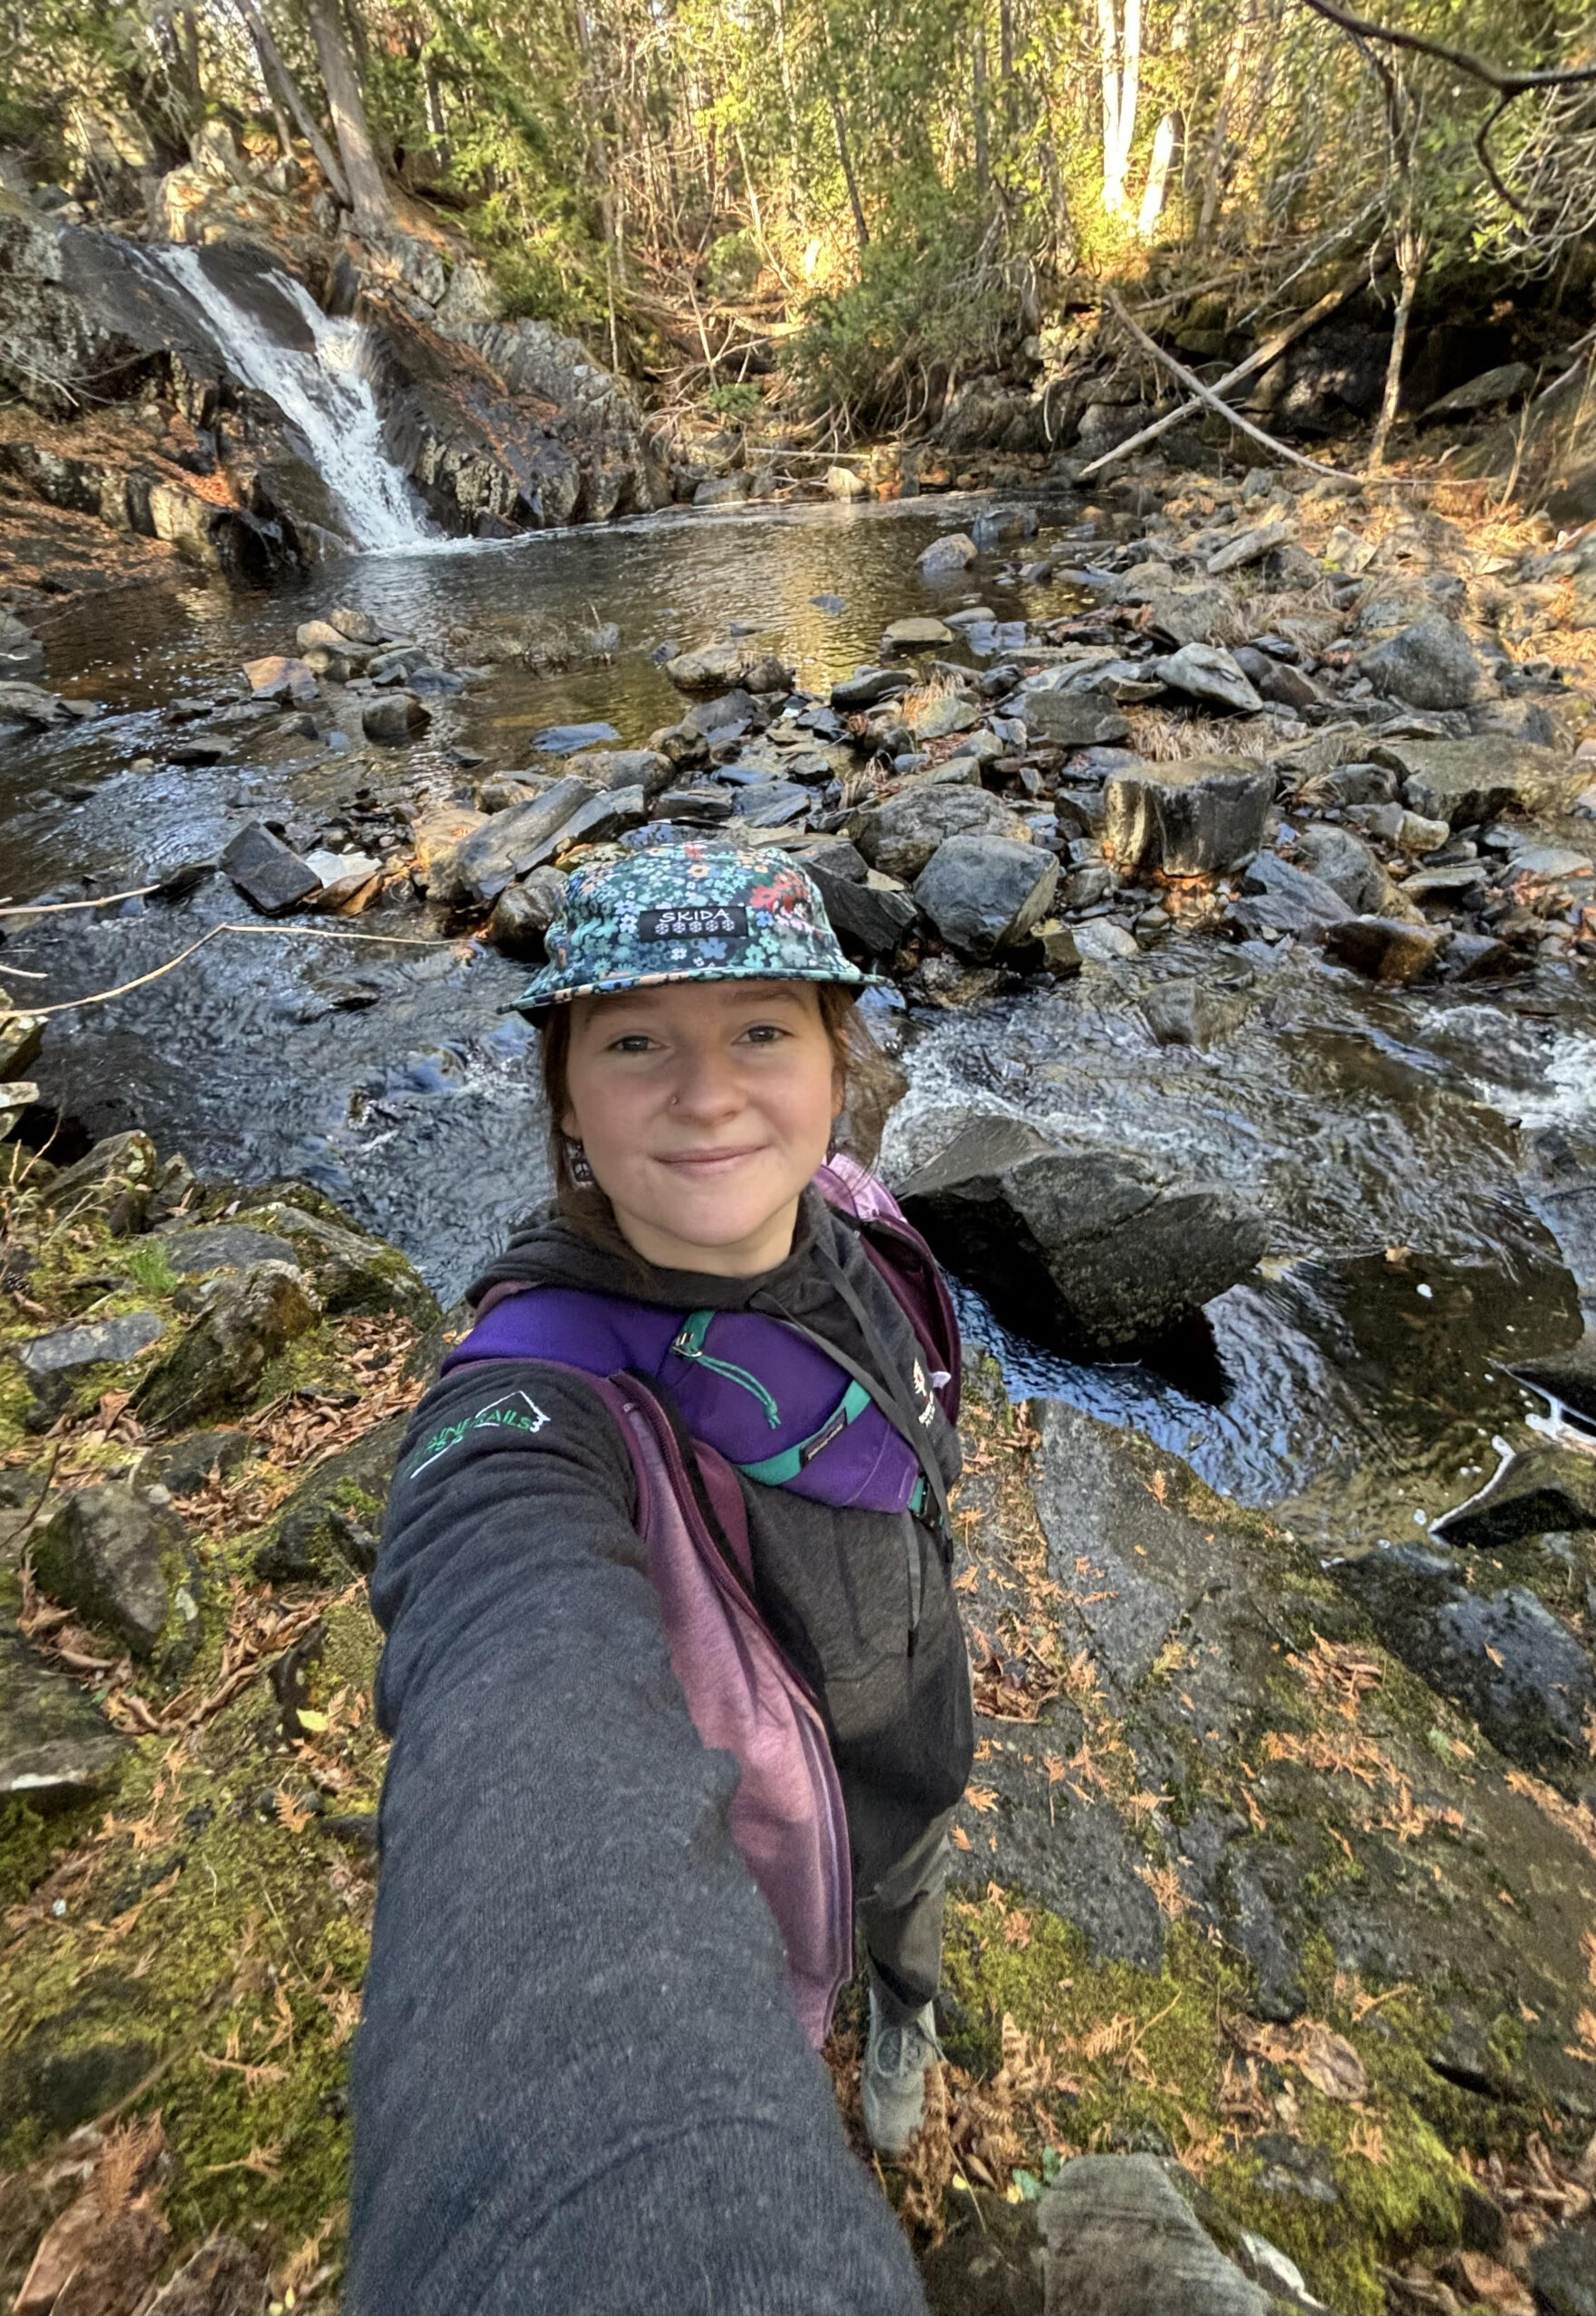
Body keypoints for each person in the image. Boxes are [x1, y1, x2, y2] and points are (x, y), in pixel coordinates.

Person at [347, 842, 974, 2314]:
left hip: (916, 1705)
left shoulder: (860, 1225)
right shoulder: (540, 1388)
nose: (708, 1095)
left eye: (762, 1029)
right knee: (788, 1941)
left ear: (837, 1064)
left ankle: (906, 2010)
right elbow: (516, 1680)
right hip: (747, 1809)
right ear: (567, 1093)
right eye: (637, 1044)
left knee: (910, 1896)